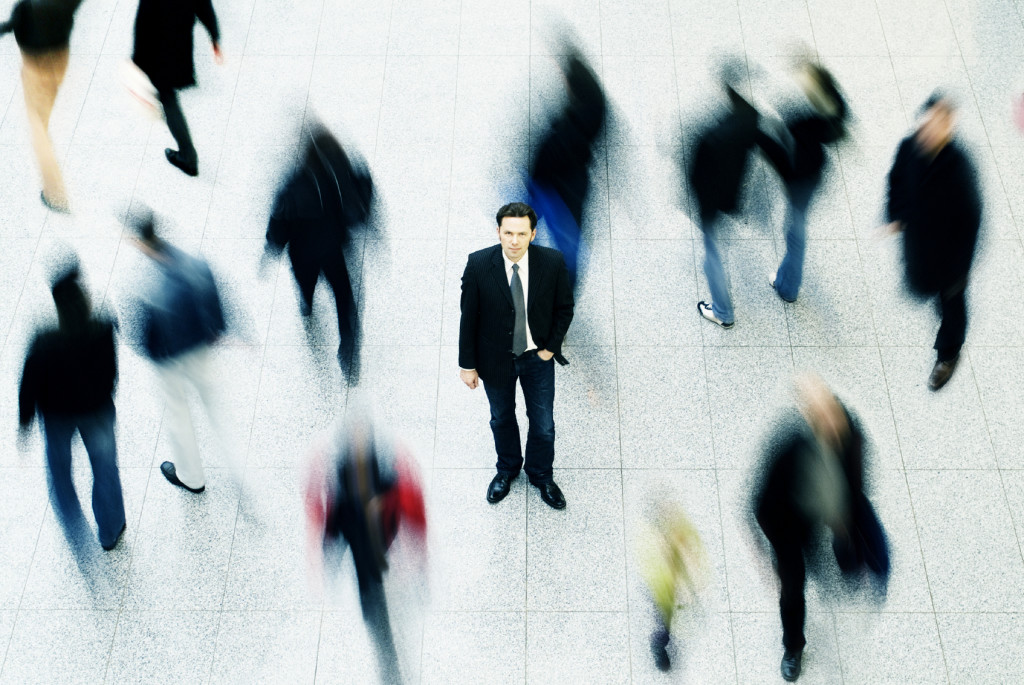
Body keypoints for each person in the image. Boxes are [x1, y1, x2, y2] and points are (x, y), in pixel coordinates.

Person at [752, 373, 888, 682]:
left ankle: (839, 573)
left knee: (831, 560)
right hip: (788, 528)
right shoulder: (789, 446)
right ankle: (793, 647)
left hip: (824, 520)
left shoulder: (852, 434)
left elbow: (858, 483)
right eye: (820, 414)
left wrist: (845, 521)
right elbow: (760, 502)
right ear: (809, 417)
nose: (831, 420)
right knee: (792, 589)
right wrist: (763, 551)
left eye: (832, 409)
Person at [459, 202, 575, 509]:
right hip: (495, 359)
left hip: (537, 358)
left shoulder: (551, 263)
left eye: (521, 234)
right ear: (498, 231)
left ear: (533, 234)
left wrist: (549, 349)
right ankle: (507, 469)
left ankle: (540, 474)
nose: (513, 240)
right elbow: (468, 317)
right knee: (501, 418)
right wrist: (467, 364)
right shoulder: (479, 264)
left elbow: (564, 308)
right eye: (508, 232)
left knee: (543, 423)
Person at [304, 417, 426, 685]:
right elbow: (321, 512)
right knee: (373, 605)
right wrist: (325, 557)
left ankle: (393, 664)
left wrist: (420, 561)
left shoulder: (391, 469)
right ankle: (389, 665)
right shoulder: (333, 471)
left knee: (391, 607)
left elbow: (414, 509)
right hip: (361, 546)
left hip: (386, 541)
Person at [18, 262, 127, 552]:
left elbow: (29, 386)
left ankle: (73, 528)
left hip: (57, 418)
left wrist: (25, 421)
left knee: (59, 470)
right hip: (97, 411)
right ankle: (111, 529)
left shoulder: (44, 340)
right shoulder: (103, 327)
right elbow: (111, 371)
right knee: (105, 469)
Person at [884, 93, 982, 390]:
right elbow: (896, 180)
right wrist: (897, 215)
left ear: (949, 128)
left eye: (938, 125)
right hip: (919, 244)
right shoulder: (908, 146)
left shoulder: (960, 171)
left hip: (949, 260)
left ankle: (949, 354)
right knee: (922, 285)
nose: (927, 133)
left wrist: (959, 274)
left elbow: (971, 225)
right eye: (925, 124)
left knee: (951, 307)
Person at [128, 209, 230, 494]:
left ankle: (192, 477)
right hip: (199, 346)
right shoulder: (188, 259)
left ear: (137, 240)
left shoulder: (142, 281)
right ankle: (237, 465)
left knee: (178, 413)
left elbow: (141, 336)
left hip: (169, 359)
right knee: (216, 405)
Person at [262, 122, 373, 383]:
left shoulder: (293, 184)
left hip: (303, 254)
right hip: (336, 249)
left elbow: (278, 222)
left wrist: (272, 247)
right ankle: (349, 353)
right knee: (345, 300)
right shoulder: (343, 172)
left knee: (305, 283)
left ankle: (307, 304)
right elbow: (363, 192)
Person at [760, 59, 849, 303]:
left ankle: (787, 287)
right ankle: (785, 280)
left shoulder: (807, 123)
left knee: (794, 233)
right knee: (795, 227)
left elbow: (789, 162)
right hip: (812, 176)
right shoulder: (833, 113)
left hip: (801, 181)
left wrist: (764, 138)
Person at [689, 59, 762, 329]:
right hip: (732, 195)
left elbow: (696, 176)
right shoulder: (752, 117)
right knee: (716, 245)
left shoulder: (711, 137)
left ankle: (722, 312)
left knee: (712, 257)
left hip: (711, 201)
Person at [528, 44, 606, 291]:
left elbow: (542, 164)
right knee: (570, 252)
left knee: (525, 223)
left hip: (551, 189)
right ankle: (561, 307)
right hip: (574, 189)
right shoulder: (595, 113)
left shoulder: (563, 132)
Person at [0, 0, 85, 212]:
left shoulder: (25, 6)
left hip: (36, 69)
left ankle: (55, 194)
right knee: (44, 117)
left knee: (38, 129)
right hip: (61, 58)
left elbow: (11, 26)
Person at [131, 0, 223, 177]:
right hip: (180, 43)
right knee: (166, 94)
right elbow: (204, 6)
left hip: (158, 45)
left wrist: (137, 60)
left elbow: (143, 21)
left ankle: (188, 157)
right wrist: (214, 36)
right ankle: (187, 154)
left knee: (167, 97)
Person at [636, 498, 709, 672]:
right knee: (664, 624)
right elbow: (656, 576)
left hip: (683, 586)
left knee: (679, 617)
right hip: (665, 593)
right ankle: (658, 644)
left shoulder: (683, 531)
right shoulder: (653, 547)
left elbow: (694, 552)